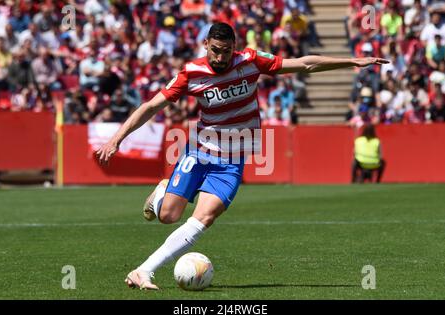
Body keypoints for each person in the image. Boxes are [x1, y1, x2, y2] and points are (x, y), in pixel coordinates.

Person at [96, 22, 389, 290]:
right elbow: (150, 106)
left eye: (226, 52)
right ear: (205, 45)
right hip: (199, 152)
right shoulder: (191, 72)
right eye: (215, 51)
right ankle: (162, 194)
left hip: (232, 161)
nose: (220, 58)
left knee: (204, 218)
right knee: (168, 216)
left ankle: (143, 270)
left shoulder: (250, 60)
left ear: (234, 48)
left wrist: (352, 61)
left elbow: (304, 64)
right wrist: (117, 138)